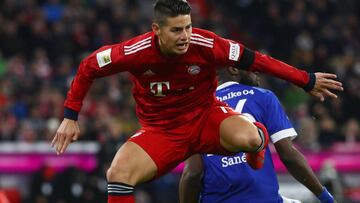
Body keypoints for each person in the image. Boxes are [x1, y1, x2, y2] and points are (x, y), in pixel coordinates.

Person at [50, 1, 343, 202]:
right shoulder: (135, 52)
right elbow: (89, 65)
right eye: (176, 30)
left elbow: (257, 61)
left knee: (250, 138)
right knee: (118, 173)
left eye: (188, 27)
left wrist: (306, 80)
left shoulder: (206, 44)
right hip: (161, 131)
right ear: (156, 30)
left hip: (206, 118)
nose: (185, 36)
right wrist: (70, 115)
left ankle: (258, 140)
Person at [179, 67, 337, 203]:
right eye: (251, 68)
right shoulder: (263, 96)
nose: (257, 72)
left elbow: (192, 173)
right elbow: (288, 156)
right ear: (233, 69)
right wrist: (325, 197)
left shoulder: (195, 112)